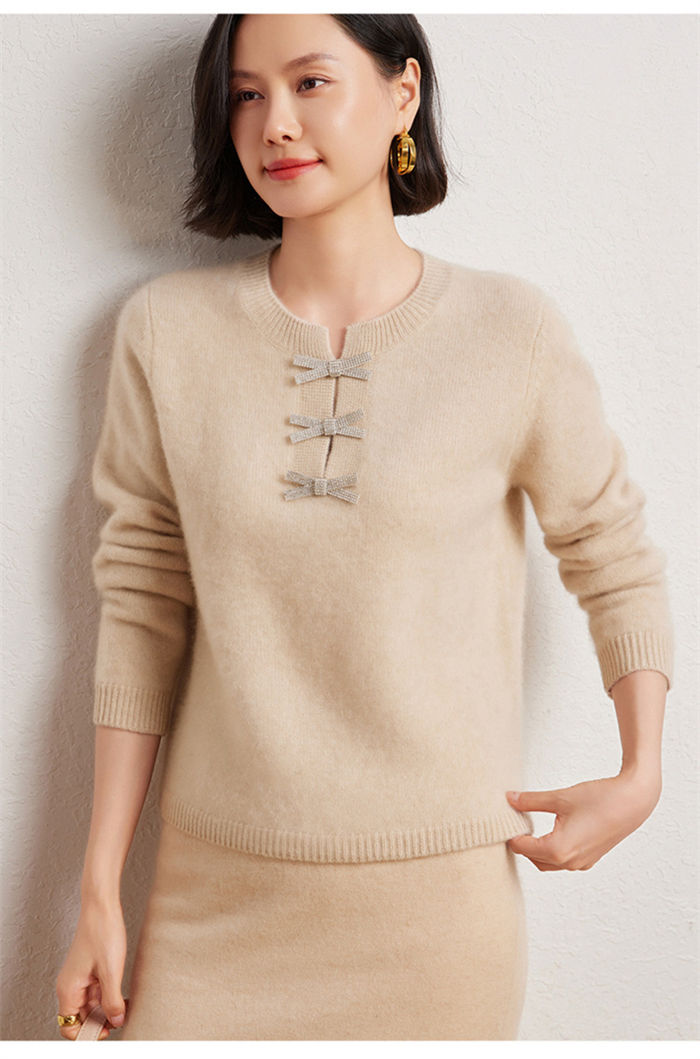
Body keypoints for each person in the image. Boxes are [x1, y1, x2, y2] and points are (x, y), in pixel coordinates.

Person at [55, 13, 674, 1041]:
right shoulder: (164, 332)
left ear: (402, 95)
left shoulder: (510, 332)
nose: (274, 123)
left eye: (310, 82)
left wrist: (640, 772)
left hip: (441, 918)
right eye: (246, 94)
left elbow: (613, 555)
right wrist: (98, 891)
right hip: (213, 899)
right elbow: (140, 605)